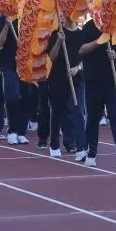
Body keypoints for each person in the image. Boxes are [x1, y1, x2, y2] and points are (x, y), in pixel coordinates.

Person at [77, 19, 116, 168]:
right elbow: (81, 50)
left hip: (113, 81)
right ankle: (90, 152)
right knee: (93, 118)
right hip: (93, 80)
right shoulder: (90, 26)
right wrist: (99, 41)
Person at [45, 16, 85, 157]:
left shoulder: (81, 35)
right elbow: (52, 57)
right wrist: (59, 41)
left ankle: (80, 146)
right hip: (58, 79)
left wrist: (77, 68)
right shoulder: (57, 34)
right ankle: (54, 144)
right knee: (57, 112)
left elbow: (85, 58)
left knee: (77, 112)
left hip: (76, 79)